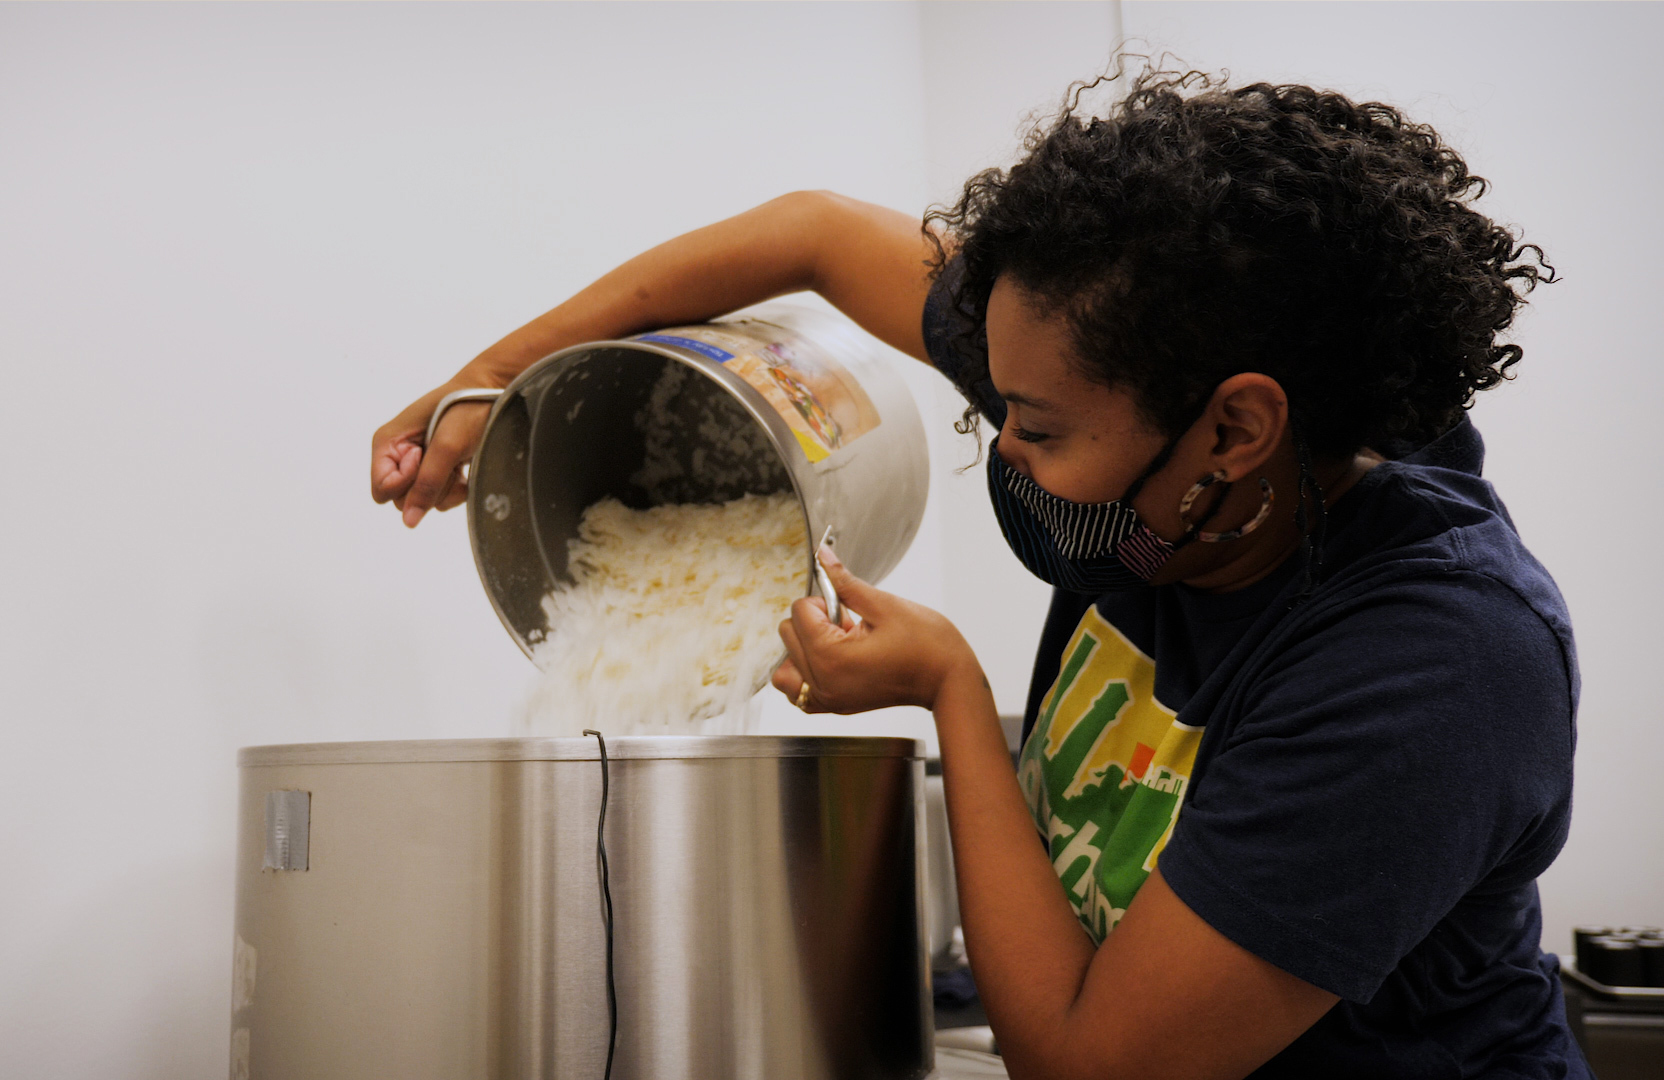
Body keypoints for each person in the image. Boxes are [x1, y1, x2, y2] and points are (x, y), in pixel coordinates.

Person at [371, 69, 1584, 1079]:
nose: (1004, 446)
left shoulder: (1434, 666)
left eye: (1041, 429)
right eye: (1000, 401)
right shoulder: (1124, 352)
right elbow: (808, 233)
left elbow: (1086, 1062)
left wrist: (950, 684)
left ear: (1235, 430)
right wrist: (483, 386)